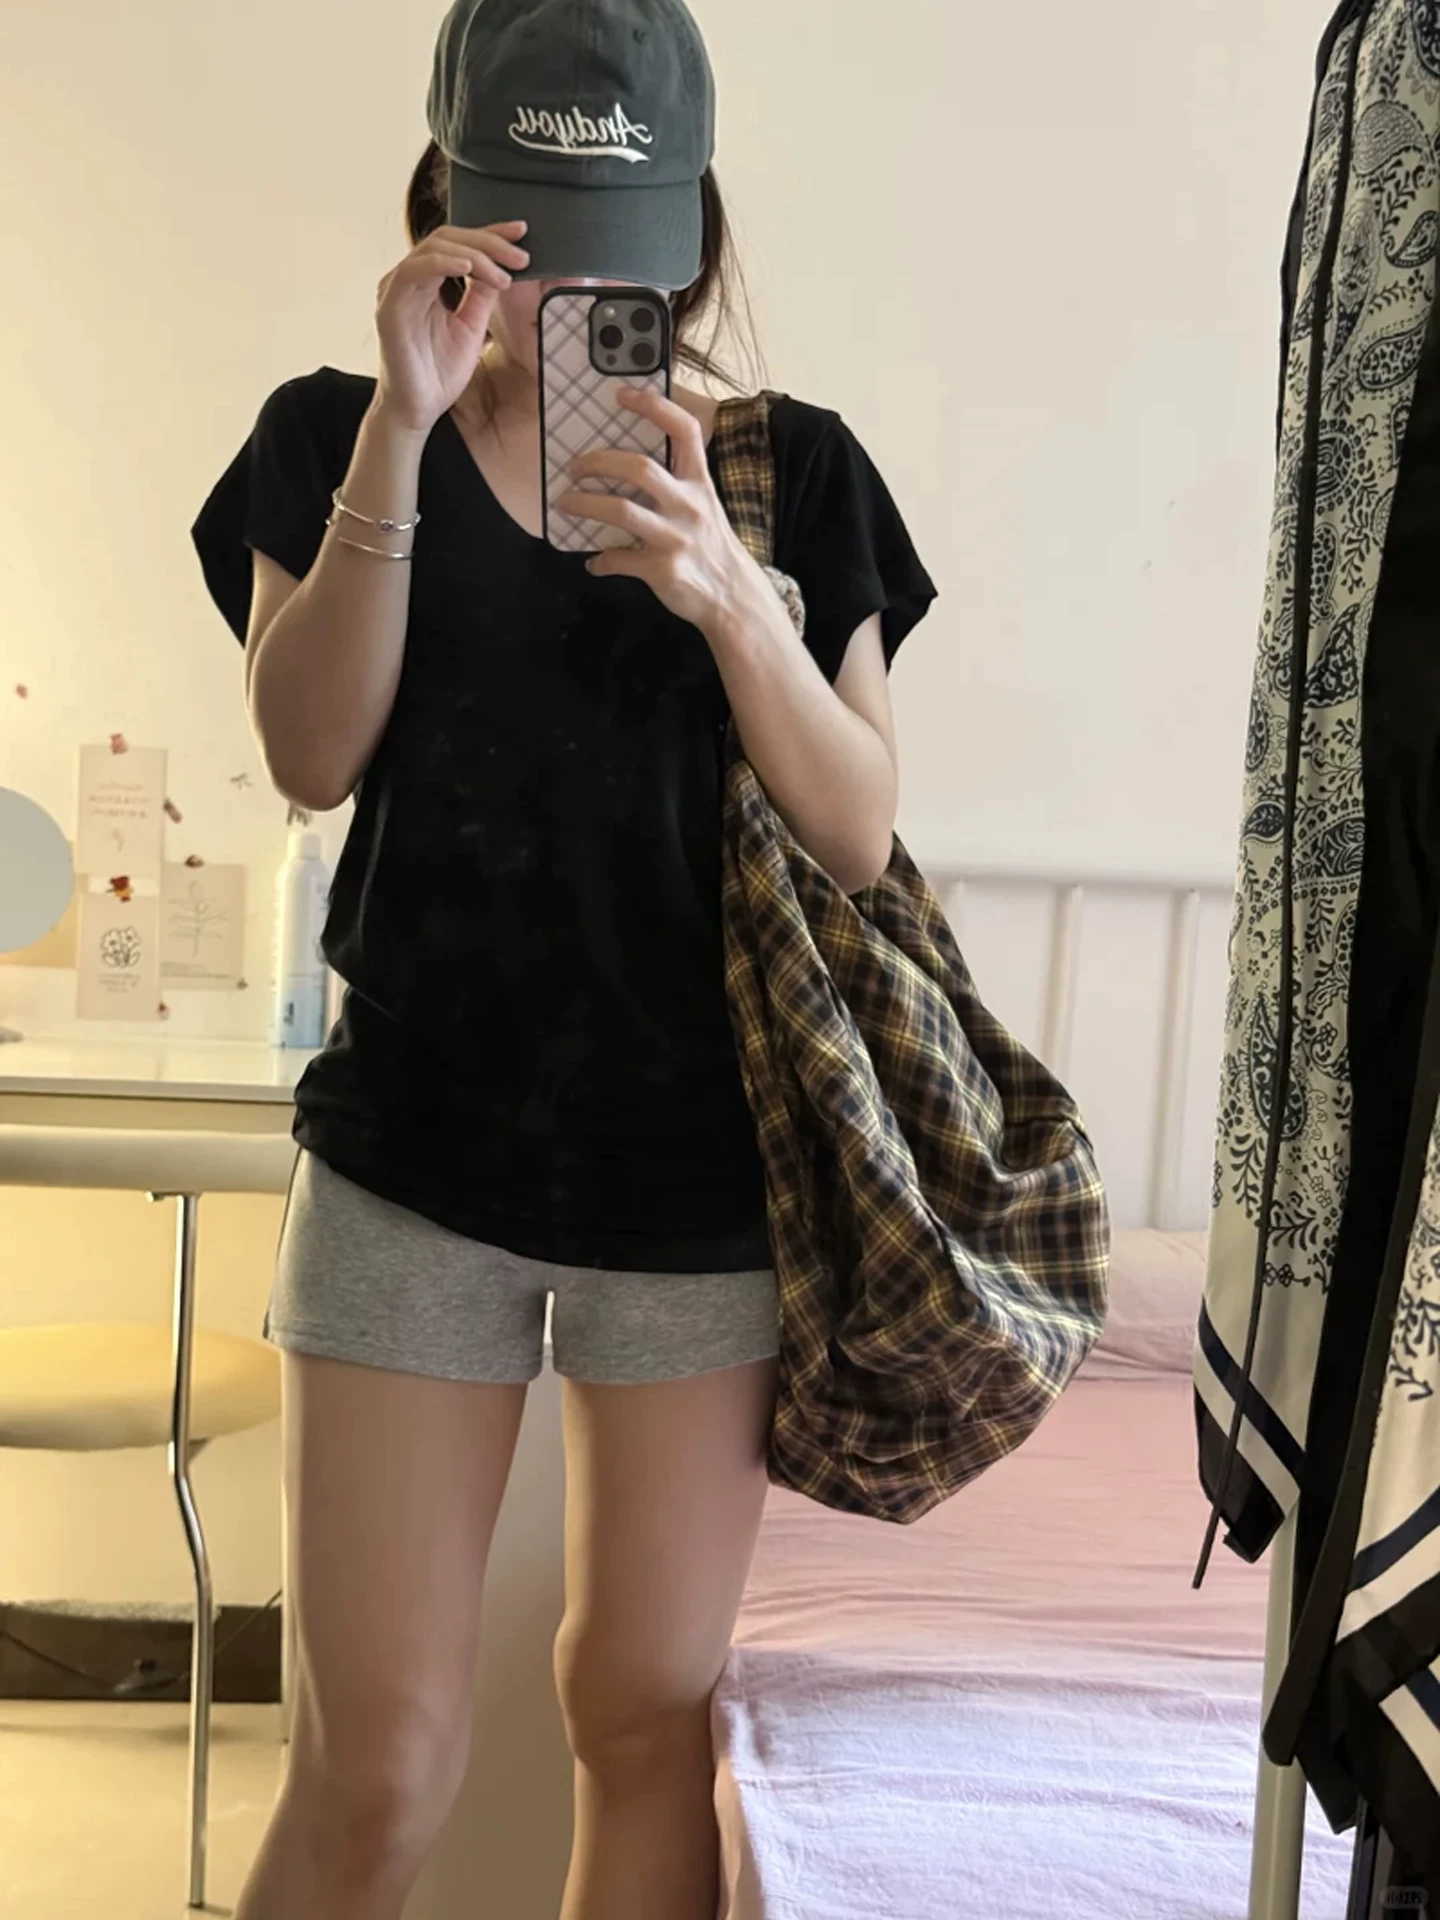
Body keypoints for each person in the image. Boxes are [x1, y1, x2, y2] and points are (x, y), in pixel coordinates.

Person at [191, 1, 935, 1915]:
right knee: (379, 1762)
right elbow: (309, 755)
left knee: (639, 1710)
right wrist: (399, 428)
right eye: (533, 240)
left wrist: (730, 600)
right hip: (409, 1160)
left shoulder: (791, 473)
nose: (576, 292)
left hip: (695, 1189)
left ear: (689, 232)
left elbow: (858, 830)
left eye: (620, 246)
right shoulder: (327, 436)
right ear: (449, 206)